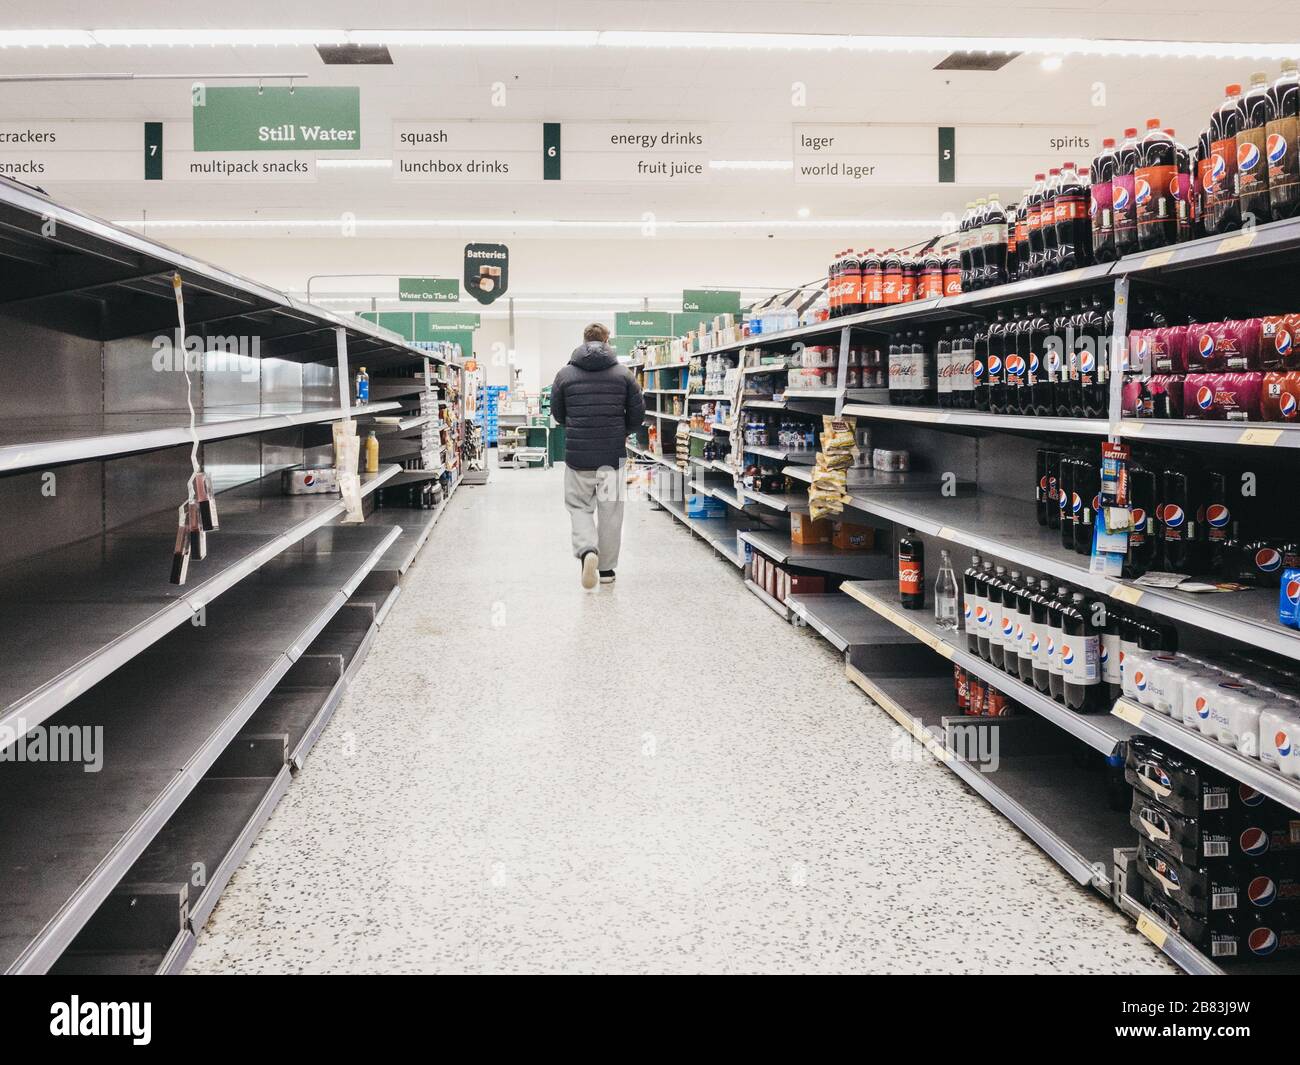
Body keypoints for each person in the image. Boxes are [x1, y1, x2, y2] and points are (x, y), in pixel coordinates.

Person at [549, 323, 645, 589]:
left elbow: (558, 415)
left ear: (584, 340)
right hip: (612, 457)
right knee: (611, 513)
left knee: (579, 506)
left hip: (578, 457)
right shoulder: (624, 374)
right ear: (607, 341)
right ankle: (606, 571)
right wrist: (620, 431)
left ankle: (587, 550)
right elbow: (637, 417)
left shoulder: (564, 374)